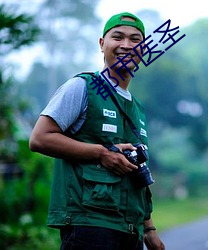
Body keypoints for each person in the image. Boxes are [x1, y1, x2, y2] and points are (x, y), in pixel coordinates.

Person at [29, 12, 165, 250]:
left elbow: (137, 170)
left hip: (130, 229)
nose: (126, 45)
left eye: (135, 40)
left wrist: (149, 228)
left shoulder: (138, 108)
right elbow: (40, 138)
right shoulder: (82, 87)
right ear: (102, 44)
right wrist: (102, 153)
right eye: (118, 37)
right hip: (89, 225)